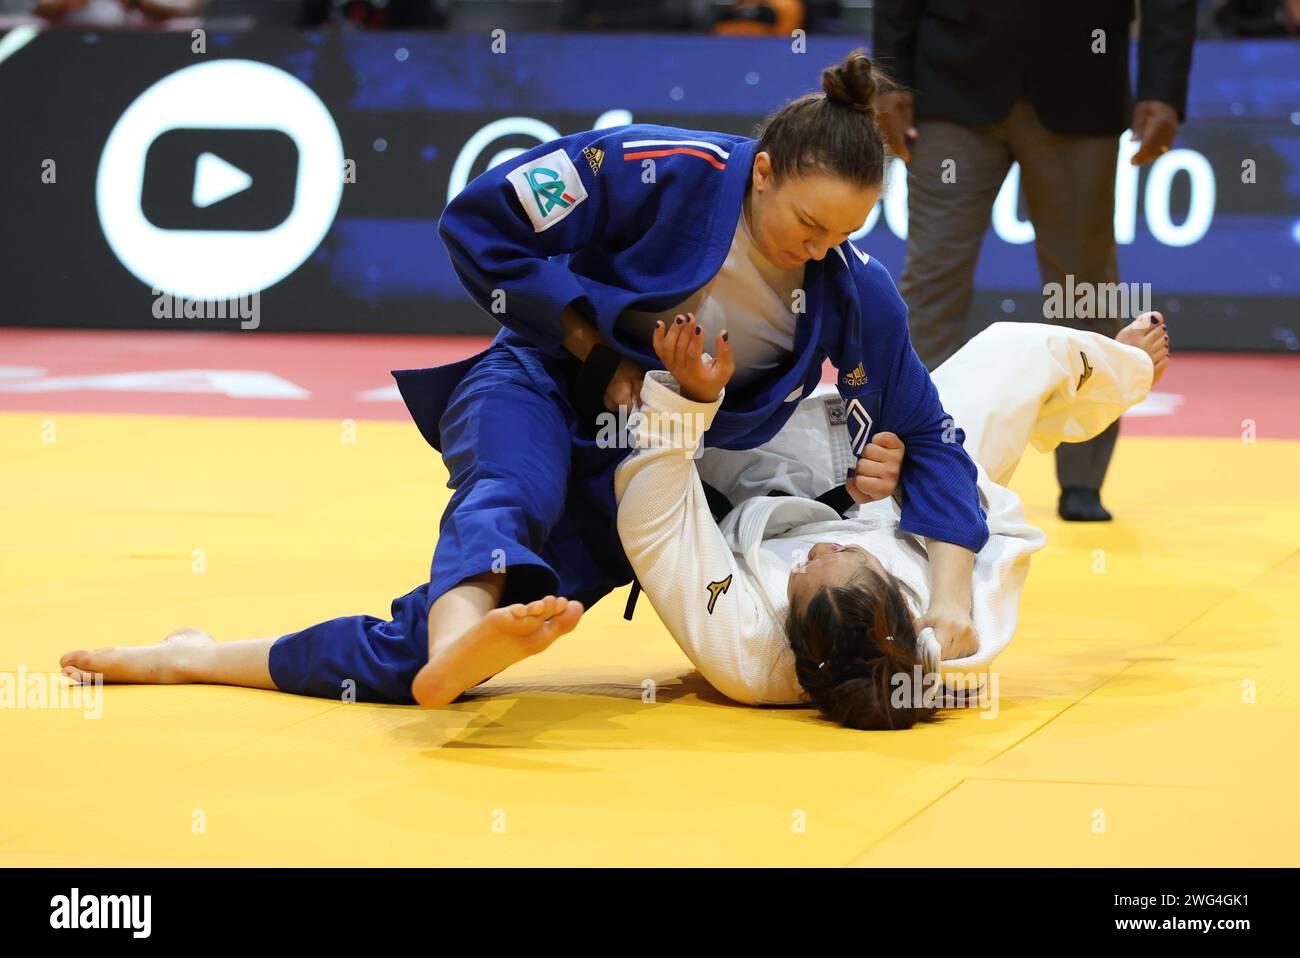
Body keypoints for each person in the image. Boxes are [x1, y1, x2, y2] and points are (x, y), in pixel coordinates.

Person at [58, 51, 988, 710]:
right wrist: (604, 354)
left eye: (841, 233)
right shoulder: (653, 166)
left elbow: (932, 435)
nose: (818, 248)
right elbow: (478, 225)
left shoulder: (853, 290)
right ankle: (458, 633)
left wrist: (949, 596)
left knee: (434, 651)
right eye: (806, 222)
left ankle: (202, 656)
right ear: (765, 173)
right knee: (511, 490)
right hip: (540, 381)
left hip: (649, 471)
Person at [613, 311, 1170, 729]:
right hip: (896, 498)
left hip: (749, 481)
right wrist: (908, 482)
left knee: (654, 388)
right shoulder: (956, 632)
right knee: (1020, 351)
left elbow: (653, 524)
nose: (820, 552)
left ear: (789, 631)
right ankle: (1122, 370)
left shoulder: (746, 651)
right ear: (903, 603)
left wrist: (683, 402)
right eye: (846, 558)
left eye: (805, 573)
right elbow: (996, 514)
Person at [871, 0, 1195, 522]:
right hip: (951, 81)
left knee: (1083, 286)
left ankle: (1082, 480)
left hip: (1083, 85)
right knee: (931, 281)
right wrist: (888, 77)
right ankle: (912, 465)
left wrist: (1163, 89)